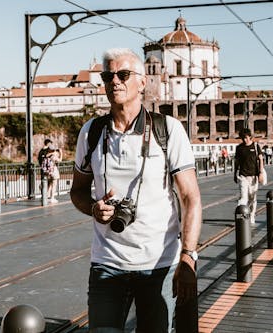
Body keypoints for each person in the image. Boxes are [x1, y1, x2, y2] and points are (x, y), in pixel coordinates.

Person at [70, 48, 202, 332]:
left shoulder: (168, 129)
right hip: (107, 263)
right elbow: (77, 191)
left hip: (159, 265)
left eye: (123, 74)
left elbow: (190, 198)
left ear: (142, 82)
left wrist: (188, 257)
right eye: (108, 75)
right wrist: (92, 207)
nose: (114, 81)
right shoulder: (91, 132)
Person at [234, 128, 264, 225]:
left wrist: (261, 173)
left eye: (246, 138)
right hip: (243, 176)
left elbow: (260, 159)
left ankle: (252, 215)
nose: (244, 140)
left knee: (252, 198)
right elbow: (237, 161)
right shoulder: (239, 148)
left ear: (250, 137)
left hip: (254, 176)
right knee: (243, 197)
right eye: (243, 138)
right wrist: (235, 173)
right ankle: (241, 216)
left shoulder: (255, 146)